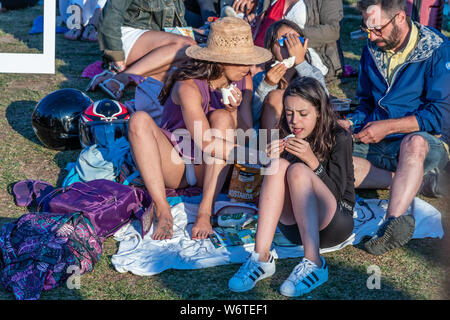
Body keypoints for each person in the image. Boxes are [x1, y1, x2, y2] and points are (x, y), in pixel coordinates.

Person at [127, 17, 272, 240]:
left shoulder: (245, 81)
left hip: (210, 168)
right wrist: (259, 156)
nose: (248, 68)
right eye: (242, 62)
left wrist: (233, 111)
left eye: (249, 61)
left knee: (223, 117)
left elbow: (245, 133)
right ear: (221, 61)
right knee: (138, 119)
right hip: (177, 161)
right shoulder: (188, 85)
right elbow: (205, 142)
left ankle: (206, 210)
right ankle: (163, 208)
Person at [338, 0, 449, 255]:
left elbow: (441, 115)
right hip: (379, 141)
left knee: (415, 143)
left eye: (377, 29)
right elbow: (366, 103)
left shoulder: (437, 49)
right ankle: (407, 180)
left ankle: (391, 223)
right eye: (367, 29)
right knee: (333, 150)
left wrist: (388, 127)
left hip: (424, 143)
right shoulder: (371, 47)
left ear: (400, 17)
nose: (372, 36)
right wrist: (351, 122)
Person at [228, 77, 355, 297]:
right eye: (289, 113)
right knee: (278, 166)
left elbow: (337, 194)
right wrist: (266, 160)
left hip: (335, 223)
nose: (295, 121)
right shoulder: (285, 133)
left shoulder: (340, 137)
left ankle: (314, 262)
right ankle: (261, 257)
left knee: (297, 171)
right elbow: (274, 192)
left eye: (303, 114)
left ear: (319, 111)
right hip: (295, 230)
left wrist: (312, 161)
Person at [87, 0, 197, 100]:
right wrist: (117, 60)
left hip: (156, 43)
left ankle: (121, 75)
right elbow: (109, 19)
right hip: (126, 37)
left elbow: (176, 27)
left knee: (193, 62)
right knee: (187, 46)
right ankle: (123, 76)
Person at [251, 19, 327, 132]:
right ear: (271, 48)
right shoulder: (261, 78)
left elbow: (325, 103)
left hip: (305, 135)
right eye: (284, 41)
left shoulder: (312, 73)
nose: (291, 46)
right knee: (276, 96)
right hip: (271, 139)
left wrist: (301, 63)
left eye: (297, 41)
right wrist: (267, 85)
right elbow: (253, 115)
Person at [252, 0, 344, 81]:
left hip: (308, 52)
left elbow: (333, 30)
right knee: (248, 69)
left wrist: (294, 37)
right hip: (272, 47)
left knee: (259, 73)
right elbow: (261, 19)